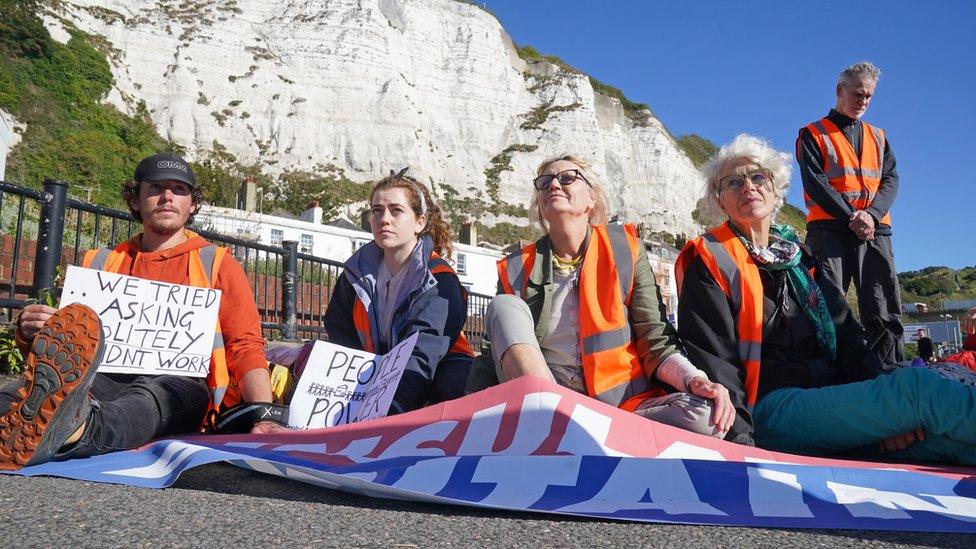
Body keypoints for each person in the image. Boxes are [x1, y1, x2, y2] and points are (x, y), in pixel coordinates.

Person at [676, 134, 976, 465]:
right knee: (921, 391)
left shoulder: (802, 261)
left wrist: (887, 421)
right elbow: (714, 359)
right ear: (721, 201)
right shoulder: (711, 260)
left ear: (776, 190)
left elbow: (847, 335)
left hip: (831, 402)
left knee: (941, 442)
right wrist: (741, 446)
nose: (748, 186)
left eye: (758, 176)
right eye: (733, 182)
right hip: (770, 407)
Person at [0, 152, 281, 470]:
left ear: (193, 205)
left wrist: (262, 414)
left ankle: (78, 431)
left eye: (179, 189)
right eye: (156, 188)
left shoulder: (218, 263)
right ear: (135, 200)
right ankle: (28, 422)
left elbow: (245, 346)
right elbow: (67, 349)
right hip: (104, 373)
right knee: (20, 395)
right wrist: (31, 330)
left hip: (181, 383)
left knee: (152, 397)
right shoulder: (100, 262)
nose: (167, 197)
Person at [465, 155, 734, 438]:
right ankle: (559, 424)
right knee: (503, 306)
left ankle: (579, 436)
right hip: (547, 403)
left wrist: (694, 380)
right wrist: (467, 416)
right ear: (540, 205)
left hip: (622, 408)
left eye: (568, 178)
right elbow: (490, 354)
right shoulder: (516, 267)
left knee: (707, 416)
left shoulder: (625, 249)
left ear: (591, 199)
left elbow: (654, 337)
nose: (554, 185)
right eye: (545, 182)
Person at [323, 169, 473, 413]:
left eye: (396, 210)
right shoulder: (354, 274)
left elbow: (423, 353)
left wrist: (389, 411)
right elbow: (340, 336)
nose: (384, 219)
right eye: (376, 210)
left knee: (454, 380)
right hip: (375, 369)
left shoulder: (439, 279)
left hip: (434, 371)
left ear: (420, 222)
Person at [797, 61, 904, 364]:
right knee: (828, 303)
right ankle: (832, 371)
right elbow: (815, 182)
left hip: (875, 229)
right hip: (829, 229)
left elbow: (891, 179)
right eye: (858, 94)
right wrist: (852, 215)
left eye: (869, 96)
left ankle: (889, 370)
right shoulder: (812, 133)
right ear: (839, 91)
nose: (863, 102)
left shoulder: (879, 136)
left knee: (883, 303)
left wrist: (870, 214)